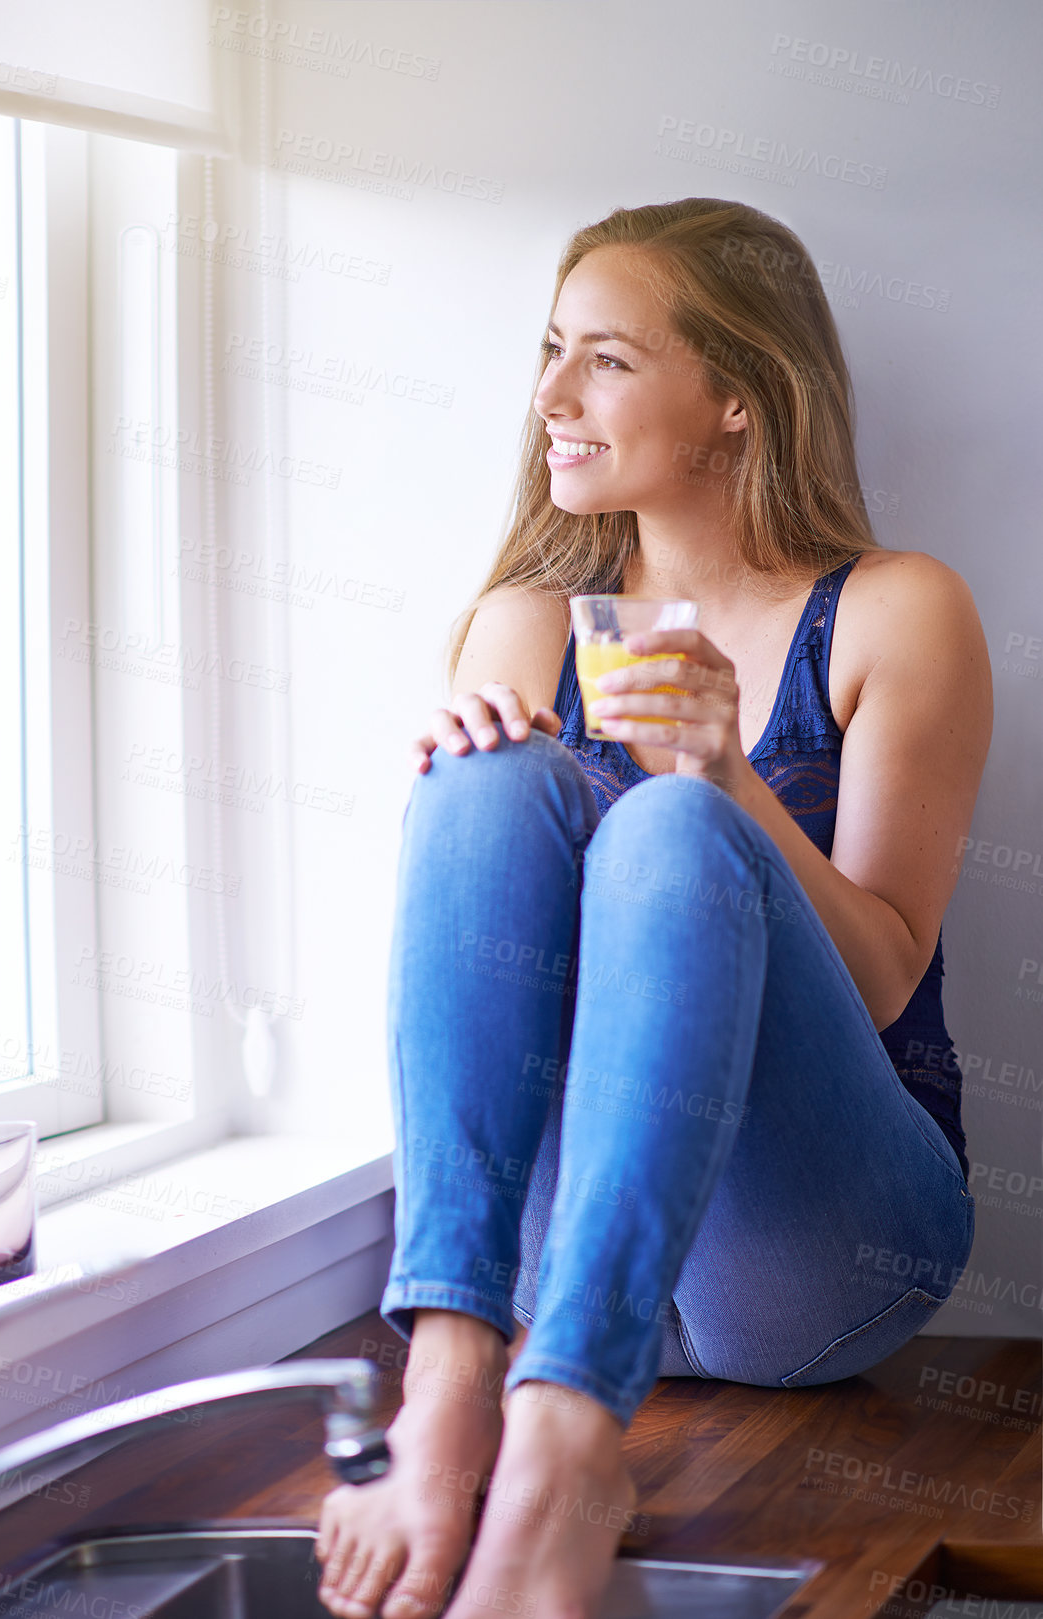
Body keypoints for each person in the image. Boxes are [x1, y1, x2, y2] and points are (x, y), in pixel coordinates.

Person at [313, 197, 992, 1619]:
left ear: (736, 397)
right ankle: (449, 1378)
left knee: (672, 826)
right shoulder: (525, 618)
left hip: (810, 1257)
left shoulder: (892, 611)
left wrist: (726, 775)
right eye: (551, 350)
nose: (550, 396)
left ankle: (561, 1455)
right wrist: (471, 784)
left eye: (606, 360)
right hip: (554, 1261)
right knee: (485, 784)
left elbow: (879, 979)